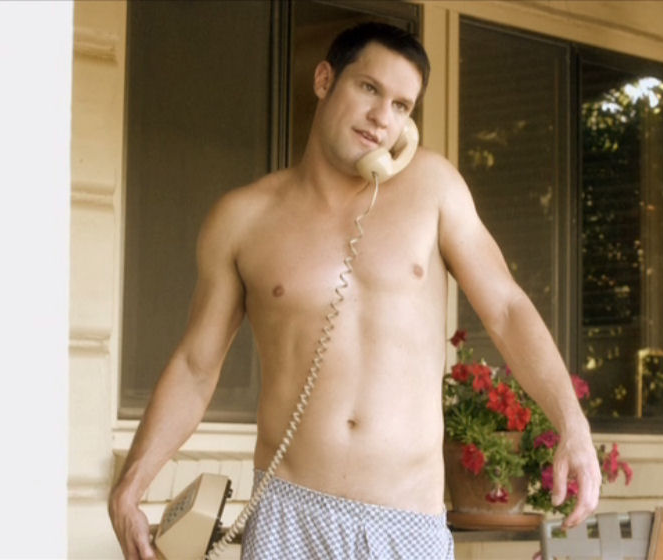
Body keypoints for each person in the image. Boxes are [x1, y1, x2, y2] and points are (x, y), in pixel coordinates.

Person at [108, 21, 600, 560]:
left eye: (401, 106)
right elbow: (195, 367)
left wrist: (571, 423)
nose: (382, 117)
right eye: (369, 88)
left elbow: (505, 308)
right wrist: (130, 487)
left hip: (405, 522)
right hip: (288, 516)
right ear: (324, 80)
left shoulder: (434, 188)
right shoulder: (243, 219)